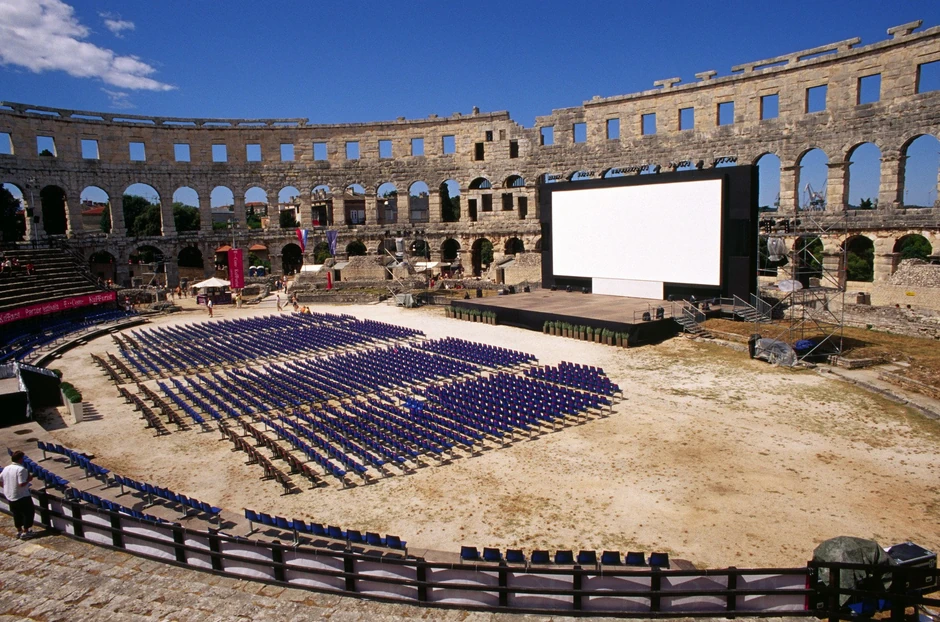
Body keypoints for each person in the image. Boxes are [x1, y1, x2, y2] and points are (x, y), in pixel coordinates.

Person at [1, 451, 35, 539]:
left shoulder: (6, 468)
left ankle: (19, 530)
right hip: (21, 495)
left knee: (16, 513)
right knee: (28, 513)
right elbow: (21, 483)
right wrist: (29, 479)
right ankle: (26, 531)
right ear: (20, 459)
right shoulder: (21, 469)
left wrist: (6, 487)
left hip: (10, 495)